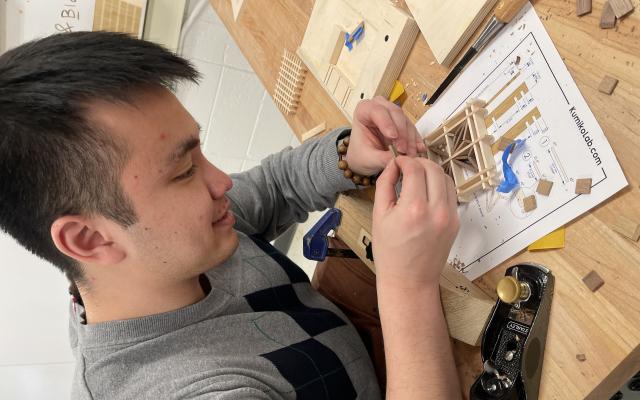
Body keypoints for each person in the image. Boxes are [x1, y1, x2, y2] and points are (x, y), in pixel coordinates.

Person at [0, 31, 460, 399]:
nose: (221, 181)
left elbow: (274, 184)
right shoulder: (192, 389)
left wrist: (347, 155)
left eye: (200, 152)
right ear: (89, 240)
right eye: (183, 171)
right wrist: (408, 288)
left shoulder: (165, 245)